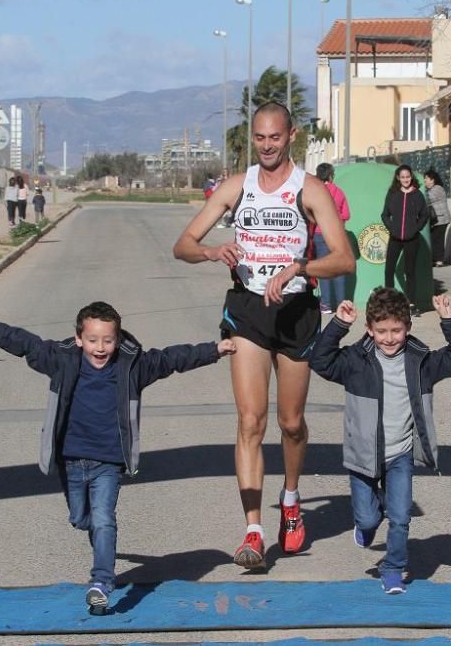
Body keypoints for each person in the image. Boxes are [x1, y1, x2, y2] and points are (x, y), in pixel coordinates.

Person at [173, 101, 355, 570]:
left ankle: (291, 500)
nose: (267, 146)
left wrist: (300, 266)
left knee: (290, 423)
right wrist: (212, 252)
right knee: (250, 421)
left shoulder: (310, 190)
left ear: (290, 135)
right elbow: (183, 245)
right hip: (249, 311)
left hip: (295, 311)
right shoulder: (238, 187)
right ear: (251, 139)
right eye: (259, 138)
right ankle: (253, 531)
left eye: (274, 137)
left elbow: (344, 259)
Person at [0, 301, 235, 612]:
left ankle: (101, 581)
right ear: (79, 339)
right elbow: (27, 344)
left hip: (109, 461)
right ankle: (97, 546)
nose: (100, 348)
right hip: (70, 460)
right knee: (82, 519)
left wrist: (215, 349)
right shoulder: (62, 360)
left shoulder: (132, 365)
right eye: (93, 340)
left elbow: (172, 359)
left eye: (108, 340)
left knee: (105, 519)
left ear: (117, 340)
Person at [309, 287, 451, 594]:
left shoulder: (421, 361)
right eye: (381, 331)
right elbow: (320, 361)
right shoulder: (356, 361)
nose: (389, 338)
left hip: (401, 454)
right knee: (369, 519)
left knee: (400, 517)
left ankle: (394, 568)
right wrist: (338, 326)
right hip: (363, 455)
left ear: (408, 327)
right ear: (369, 330)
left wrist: (449, 320)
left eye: (396, 330)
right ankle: (366, 524)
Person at [381, 164, 429, 315]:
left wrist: (416, 228)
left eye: (408, 177)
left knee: (410, 272)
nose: (405, 179)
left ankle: (411, 304)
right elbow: (385, 214)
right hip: (395, 238)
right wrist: (392, 228)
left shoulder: (417, 194)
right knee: (389, 270)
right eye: (402, 177)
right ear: (398, 178)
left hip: (412, 239)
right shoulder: (393, 193)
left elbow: (424, 215)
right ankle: (389, 303)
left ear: (411, 177)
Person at [314, 163, 351, 314]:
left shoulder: (315, 192)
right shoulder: (339, 192)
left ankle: (326, 304)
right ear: (331, 175)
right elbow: (346, 215)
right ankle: (342, 304)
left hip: (319, 233)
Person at [424, 169, 451, 267]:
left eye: (427, 178)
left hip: (441, 219)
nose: (425, 181)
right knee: (433, 239)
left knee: (438, 240)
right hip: (435, 220)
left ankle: (439, 260)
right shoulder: (431, 189)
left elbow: (428, 198)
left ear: (433, 180)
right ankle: (434, 259)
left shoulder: (438, 188)